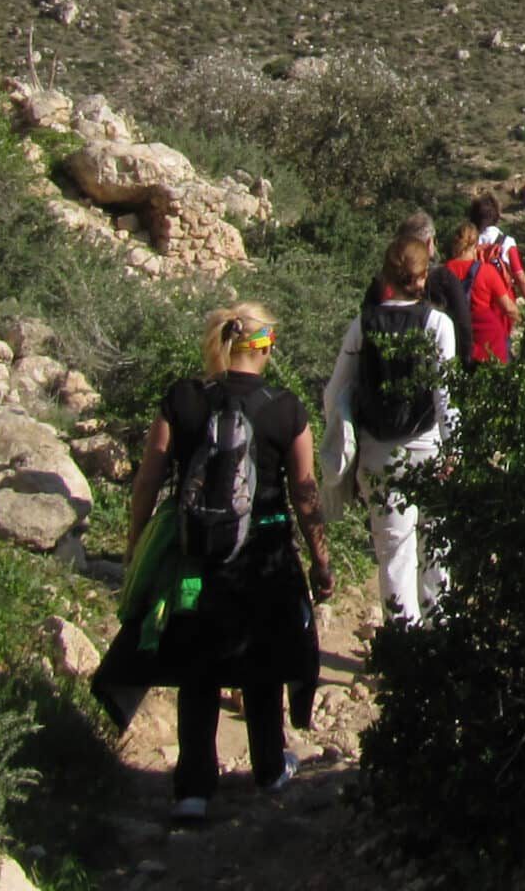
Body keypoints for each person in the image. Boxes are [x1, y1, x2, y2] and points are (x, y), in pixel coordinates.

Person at [96, 302, 333, 826]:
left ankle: (194, 788)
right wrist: (321, 560)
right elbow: (305, 492)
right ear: (265, 346)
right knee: (265, 660)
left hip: (193, 562)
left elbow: (148, 480)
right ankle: (270, 767)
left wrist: (135, 545)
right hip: (265, 557)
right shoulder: (286, 409)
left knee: (196, 664)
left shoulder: (183, 399)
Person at [323, 234, 457, 624]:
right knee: (437, 546)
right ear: (423, 275)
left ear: (386, 276)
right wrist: (456, 452)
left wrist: (345, 439)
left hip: (378, 452)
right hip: (428, 448)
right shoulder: (437, 325)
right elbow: (446, 397)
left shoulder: (362, 325)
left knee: (394, 552)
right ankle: (442, 633)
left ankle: (403, 648)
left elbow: (335, 392)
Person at [375, 210, 472, 363]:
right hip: (434, 364)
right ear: (428, 243)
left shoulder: (382, 280)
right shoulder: (444, 278)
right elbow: (463, 324)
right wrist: (464, 363)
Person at [441, 220, 519, 364]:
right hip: (490, 344)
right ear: (476, 245)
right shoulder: (486, 272)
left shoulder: (443, 273)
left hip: (457, 343)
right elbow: (508, 308)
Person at [469, 194, 525, 305]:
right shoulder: (507, 242)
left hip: (479, 302)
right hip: (505, 301)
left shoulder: (470, 244)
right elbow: (519, 275)